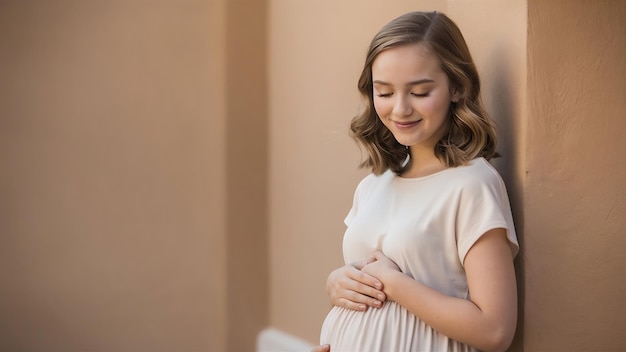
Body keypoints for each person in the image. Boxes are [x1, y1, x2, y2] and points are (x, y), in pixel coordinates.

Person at [313, 11, 519, 352]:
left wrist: (394, 283)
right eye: (385, 92)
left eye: (420, 92)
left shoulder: (472, 185)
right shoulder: (373, 185)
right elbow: (367, 282)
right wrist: (336, 283)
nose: (400, 108)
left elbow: (495, 331)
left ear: (457, 87)